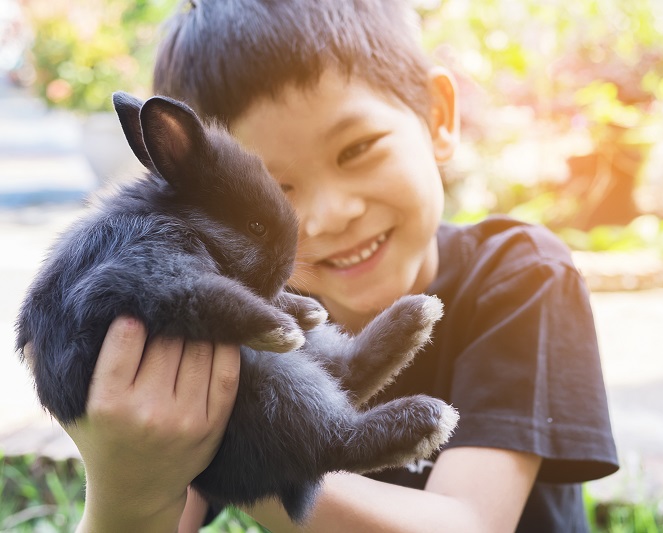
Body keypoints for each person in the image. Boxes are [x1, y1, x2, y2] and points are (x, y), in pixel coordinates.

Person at [49, 0, 619, 531]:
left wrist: (232, 452)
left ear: (438, 116)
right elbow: (160, 513)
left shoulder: (522, 277)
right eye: (276, 188)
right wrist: (127, 486)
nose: (324, 218)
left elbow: (469, 523)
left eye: (357, 149)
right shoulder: (239, 312)